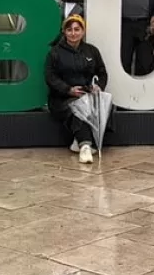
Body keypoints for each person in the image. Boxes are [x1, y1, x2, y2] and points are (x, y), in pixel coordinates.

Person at [45, 14, 109, 164]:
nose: (73, 33)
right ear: (64, 32)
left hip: (88, 95)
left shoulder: (92, 51)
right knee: (78, 107)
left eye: (77, 29)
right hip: (62, 98)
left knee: (101, 106)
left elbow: (102, 72)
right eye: (69, 30)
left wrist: (98, 86)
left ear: (83, 31)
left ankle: (77, 141)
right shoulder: (54, 52)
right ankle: (85, 146)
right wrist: (68, 90)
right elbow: (50, 77)